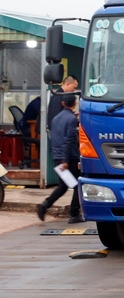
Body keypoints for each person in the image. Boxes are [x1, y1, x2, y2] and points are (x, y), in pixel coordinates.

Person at [36, 94, 84, 224]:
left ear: (63, 103)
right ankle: (74, 214)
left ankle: (45, 204)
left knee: (63, 186)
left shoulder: (56, 119)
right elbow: (68, 140)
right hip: (69, 159)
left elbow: (55, 139)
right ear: (74, 104)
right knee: (79, 186)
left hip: (58, 157)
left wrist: (59, 158)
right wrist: (66, 160)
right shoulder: (71, 119)